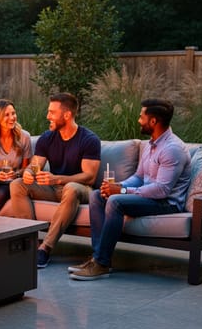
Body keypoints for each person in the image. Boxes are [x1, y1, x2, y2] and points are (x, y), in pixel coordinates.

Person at [70, 98, 191, 281]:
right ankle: (98, 258)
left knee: (116, 201)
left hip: (167, 203)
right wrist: (119, 186)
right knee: (97, 196)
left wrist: (122, 193)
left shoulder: (172, 149)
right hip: (149, 197)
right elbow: (139, 177)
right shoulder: (151, 144)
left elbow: (162, 190)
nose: (138, 120)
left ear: (153, 121)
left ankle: (102, 264)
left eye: (141, 117)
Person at [8, 93, 101, 268]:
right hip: (54, 189)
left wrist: (57, 179)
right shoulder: (47, 137)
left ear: (67, 115)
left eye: (52, 112)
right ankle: (31, 245)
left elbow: (90, 176)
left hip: (82, 189)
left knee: (72, 188)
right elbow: (35, 165)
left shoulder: (89, 140)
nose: (47, 116)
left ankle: (46, 248)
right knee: (17, 184)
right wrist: (28, 173)